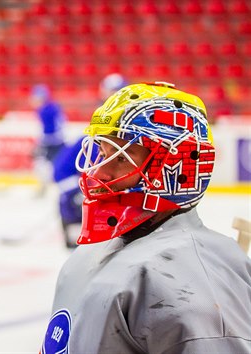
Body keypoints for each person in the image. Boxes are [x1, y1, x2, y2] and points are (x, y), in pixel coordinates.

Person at [41, 82, 251, 353]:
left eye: (121, 158)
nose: (100, 172)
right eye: (103, 154)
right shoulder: (90, 254)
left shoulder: (193, 283)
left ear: (176, 169)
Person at [52, 73, 128, 248]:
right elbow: (61, 172)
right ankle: (74, 231)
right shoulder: (88, 139)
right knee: (70, 198)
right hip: (93, 196)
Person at [30, 84, 66, 195]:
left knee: (41, 164)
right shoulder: (53, 107)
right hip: (58, 141)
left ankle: (43, 188)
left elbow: (49, 131)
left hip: (52, 143)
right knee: (52, 165)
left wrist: (40, 143)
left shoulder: (45, 111)